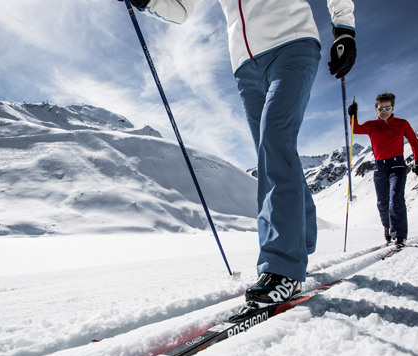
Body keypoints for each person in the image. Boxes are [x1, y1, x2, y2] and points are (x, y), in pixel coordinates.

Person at [121, 0, 357, 304]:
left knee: (274, 141)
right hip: (246, 67)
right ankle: (302, 240)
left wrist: (344, 29)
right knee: (274, 150)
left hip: (293, 43)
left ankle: (283, 268)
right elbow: (182, 9)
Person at [348, 93, 418, 247]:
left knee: (396, 198)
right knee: (382, 202)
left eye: (387, 108)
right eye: (381, 108)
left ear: (392, 108)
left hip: (398, 166)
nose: (384, 111)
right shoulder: (371, 125)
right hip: (380, 167)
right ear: (376, 110)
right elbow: (355, 130)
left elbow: (414, 142)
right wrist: (353, 115)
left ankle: (400, 235)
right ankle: (387, 227)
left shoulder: (402, 124)